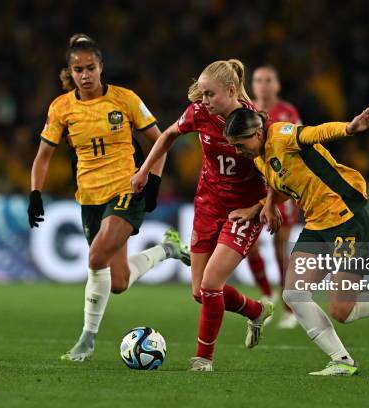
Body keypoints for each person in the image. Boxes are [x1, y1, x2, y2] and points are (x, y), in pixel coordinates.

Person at [224, 105, 369, 376]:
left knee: (342, 309)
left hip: (347, 221)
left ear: (256, 132)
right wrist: (263, 206)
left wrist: (349, 128)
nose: (239, 152)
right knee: (294, 294)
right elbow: (285, 184)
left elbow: (315, 133)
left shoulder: (281, 135)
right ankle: (342, 361)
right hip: (317, 226)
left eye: (240, 145)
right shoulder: (258, 157)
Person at [28, 34, 190, 362]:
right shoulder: (61, 108)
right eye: (78, 69)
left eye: (90, 68)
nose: (85, 75)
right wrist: (34, 193)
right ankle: (167, 249)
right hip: (89, 198)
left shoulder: (124, 99)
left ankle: (87, 339)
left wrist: (153, 181)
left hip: (127, 189)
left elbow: (159, 141)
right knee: (118, 282)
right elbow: (43, 156)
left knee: (95, 256)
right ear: (70, 72)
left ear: (101, 67)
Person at [131, 59, 277, 372]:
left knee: (212, 284)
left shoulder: (255, 122)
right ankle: (256, 311)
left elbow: (281, 174)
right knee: (200, 292)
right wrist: (145, 171)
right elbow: (168, 134)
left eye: (209, 94)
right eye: (201, 93)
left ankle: (203, 359)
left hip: (244, 211)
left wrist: (258, 208)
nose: (204, 100)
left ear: (231, 90)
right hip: (207, 206)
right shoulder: (199, 113)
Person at [249, 65, 303, 328]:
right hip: (253, 185)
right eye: (258, 80)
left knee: (280, 247)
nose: (262, 85)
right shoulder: (246, 110)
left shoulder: (288, 113)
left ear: (277, 85)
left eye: (268, 80)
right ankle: (266, 295)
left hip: (280, 184)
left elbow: (300, 146)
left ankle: (290, 307)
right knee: (249, 245)